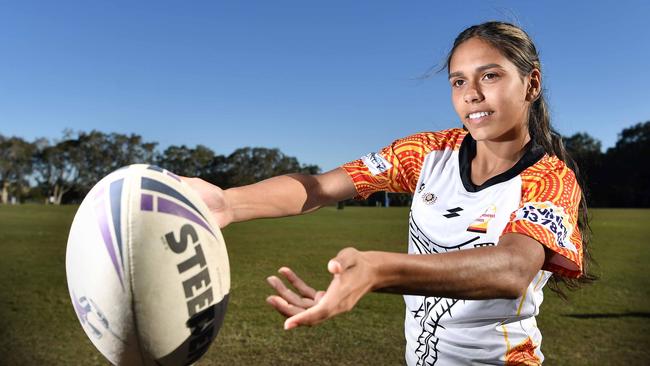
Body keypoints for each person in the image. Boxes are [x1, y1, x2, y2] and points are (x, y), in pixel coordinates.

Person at [183, 21, 595, 365]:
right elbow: (319, 187)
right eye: (458, 81)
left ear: (531, 83)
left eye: (490, 75)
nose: (471, 93)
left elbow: (511, 269)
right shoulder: (428, 152)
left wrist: (379, 270)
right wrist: (229, 202)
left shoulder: (550, 179)